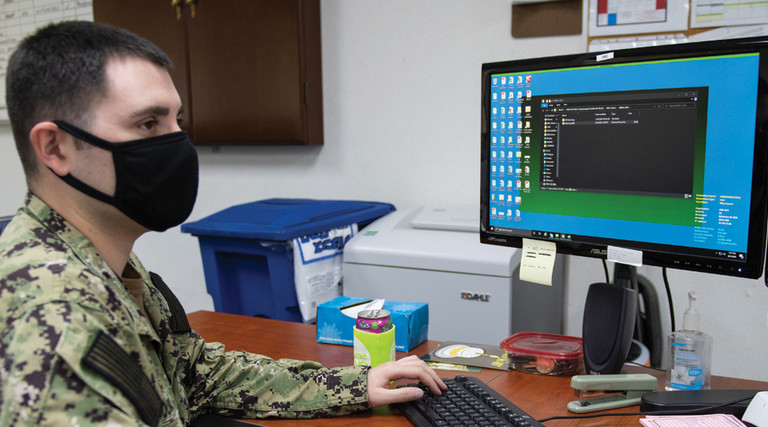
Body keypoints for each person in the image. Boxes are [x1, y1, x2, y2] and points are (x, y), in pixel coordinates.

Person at [0, 21, 445, 425]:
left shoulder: (105, 262)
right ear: (55, 148)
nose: (178, 143)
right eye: (148, 123)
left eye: (178, 120)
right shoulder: (56, 322)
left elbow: (196, 374)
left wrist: (354, 384)